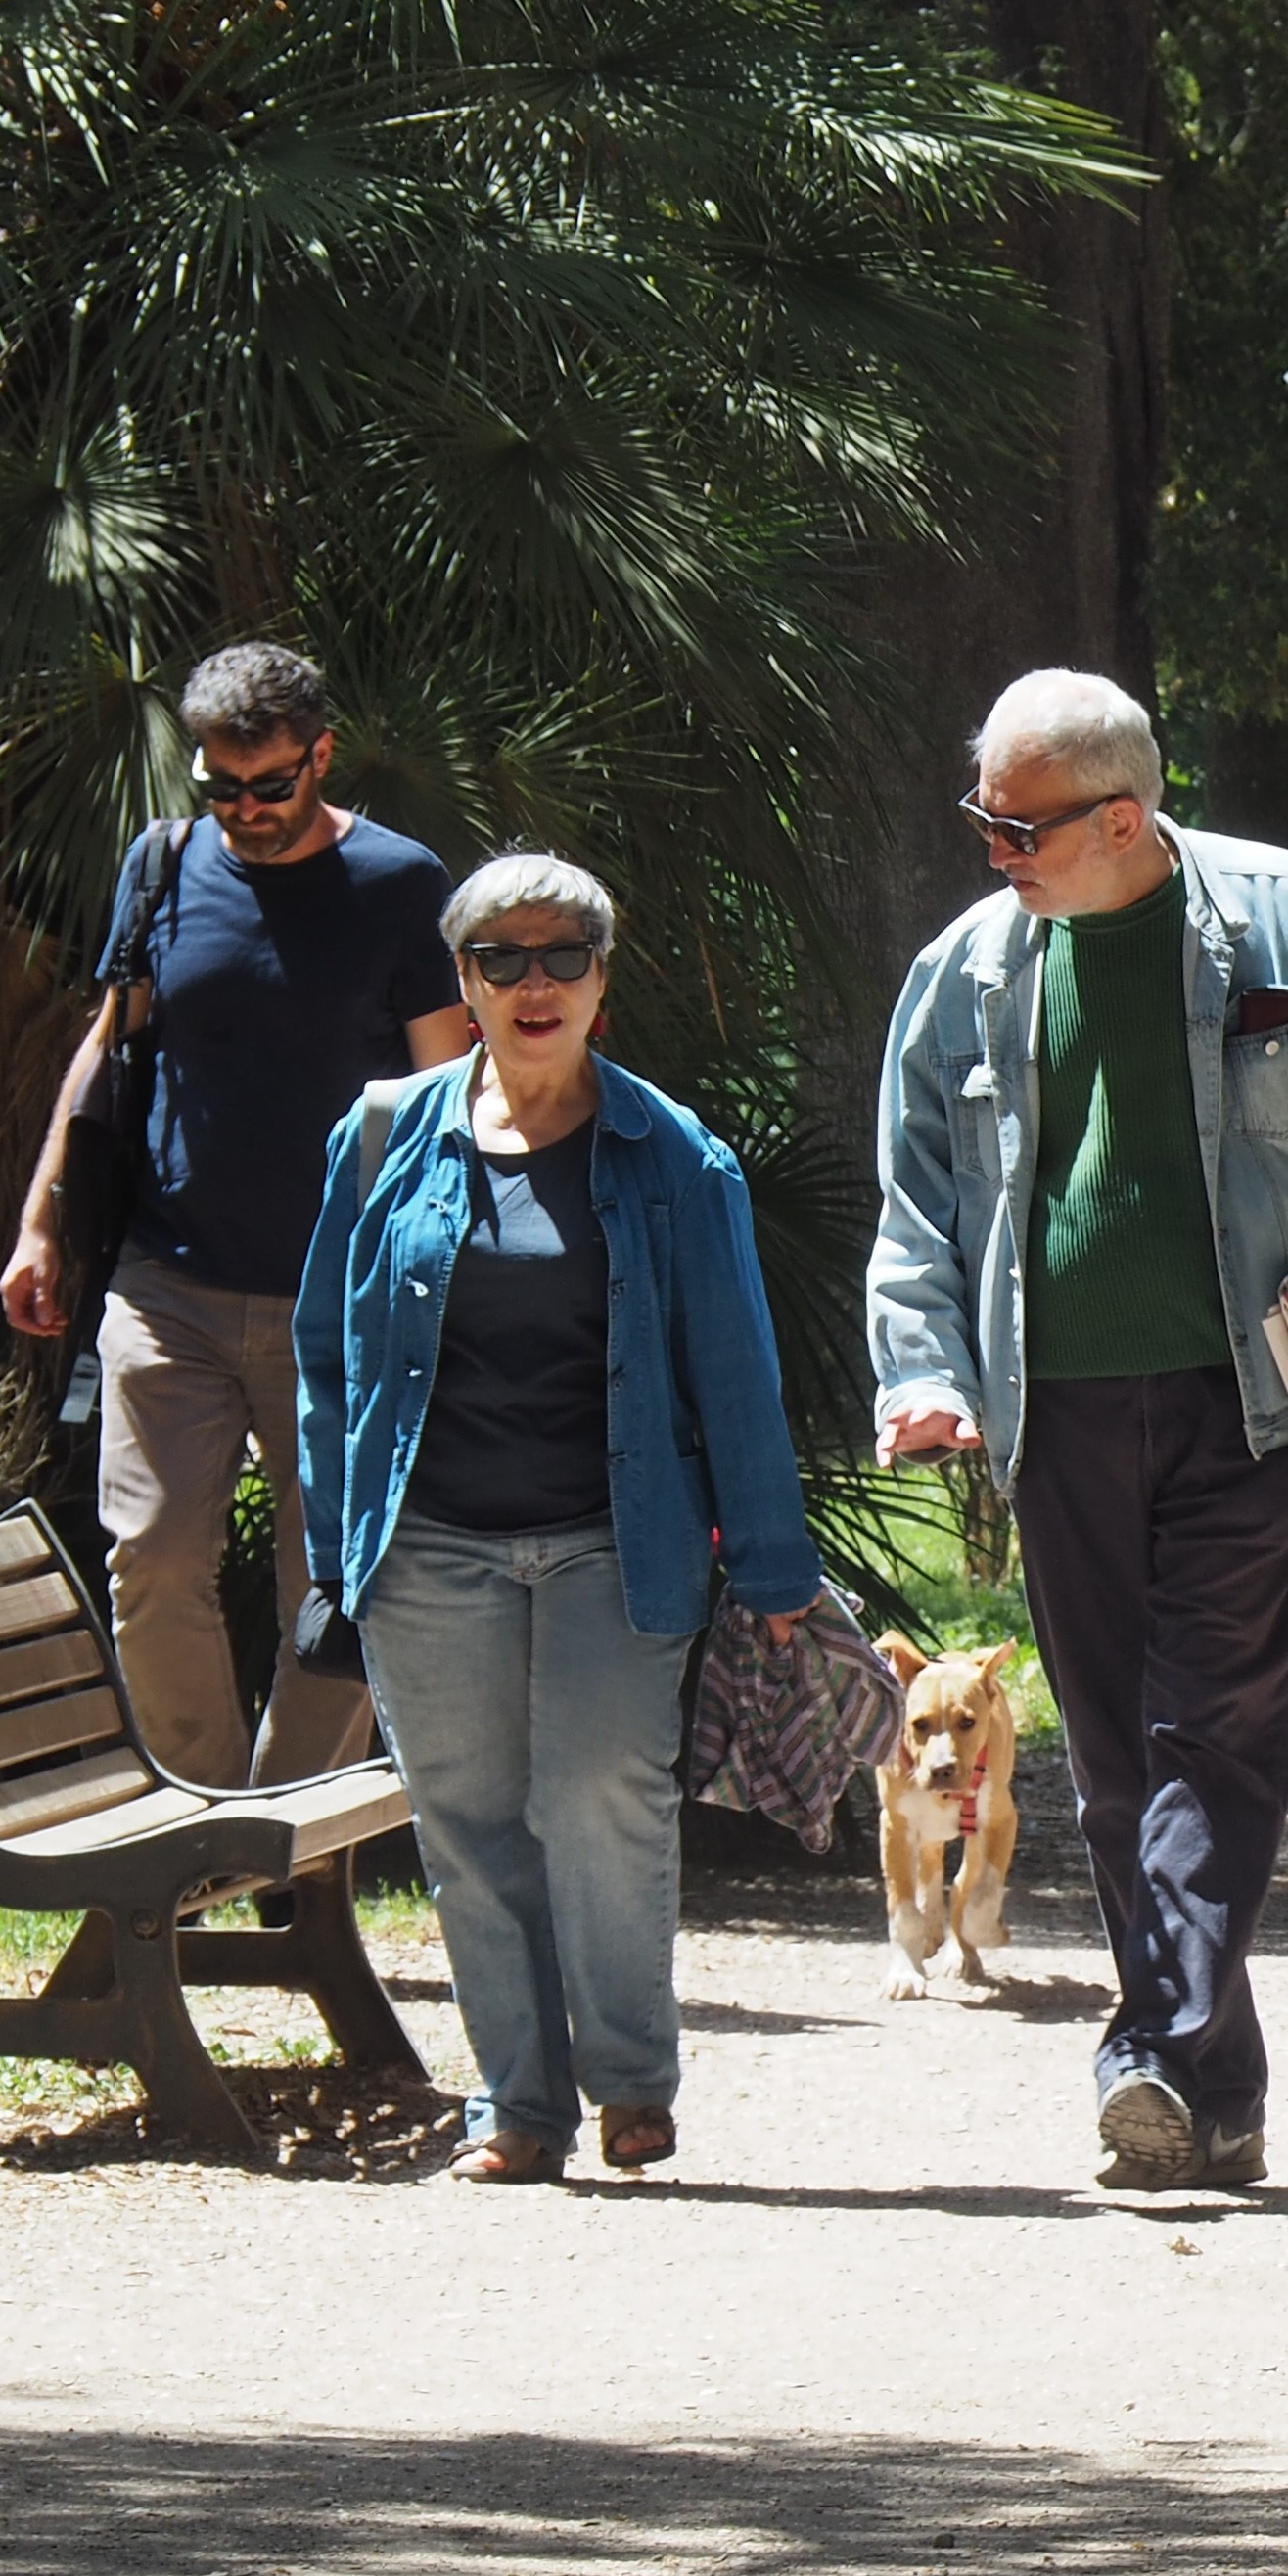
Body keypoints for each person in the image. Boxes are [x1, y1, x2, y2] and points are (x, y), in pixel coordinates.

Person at [872, 671, 1288, 2193]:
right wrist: (921, 1373)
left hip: (1258, 1397)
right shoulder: (963, 972)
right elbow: (916, 1218)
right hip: (1055, 1411)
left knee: (1220, 1725)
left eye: (1017, 826)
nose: (991, 848)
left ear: (1121, 817)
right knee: (1117, 1752)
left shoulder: (1286, 920)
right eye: (981, 818)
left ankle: (1151, 2052)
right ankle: (1215, 2089)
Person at [294, 855, 819, 2183]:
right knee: (465, 1825)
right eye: (503, 959)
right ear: (462, 983)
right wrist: (340, 1533)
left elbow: (735, 1373)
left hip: (613, 1536)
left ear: (602, 974)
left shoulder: (674, 1154)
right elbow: (327, 1356)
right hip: (428, 1543)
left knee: (602, 1800)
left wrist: (771, 1563)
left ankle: (631, 2083)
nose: (537, 982)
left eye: (564, 954)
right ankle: (518, 2106)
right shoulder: (380, 1137)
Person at [0, 640, 474, 1789]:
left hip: (341, 1307)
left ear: (321, 755)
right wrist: (40, 1217)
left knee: (340, 1583)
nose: (246, 810)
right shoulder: (161, 865)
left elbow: (445, 1093)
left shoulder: (403, 887)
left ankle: (283, 1840)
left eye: (272, 784)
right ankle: (192, 1836)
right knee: (153, 1557)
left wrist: (445, 1271)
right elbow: (110, 1043)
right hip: (169, 1286)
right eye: (221, 786)